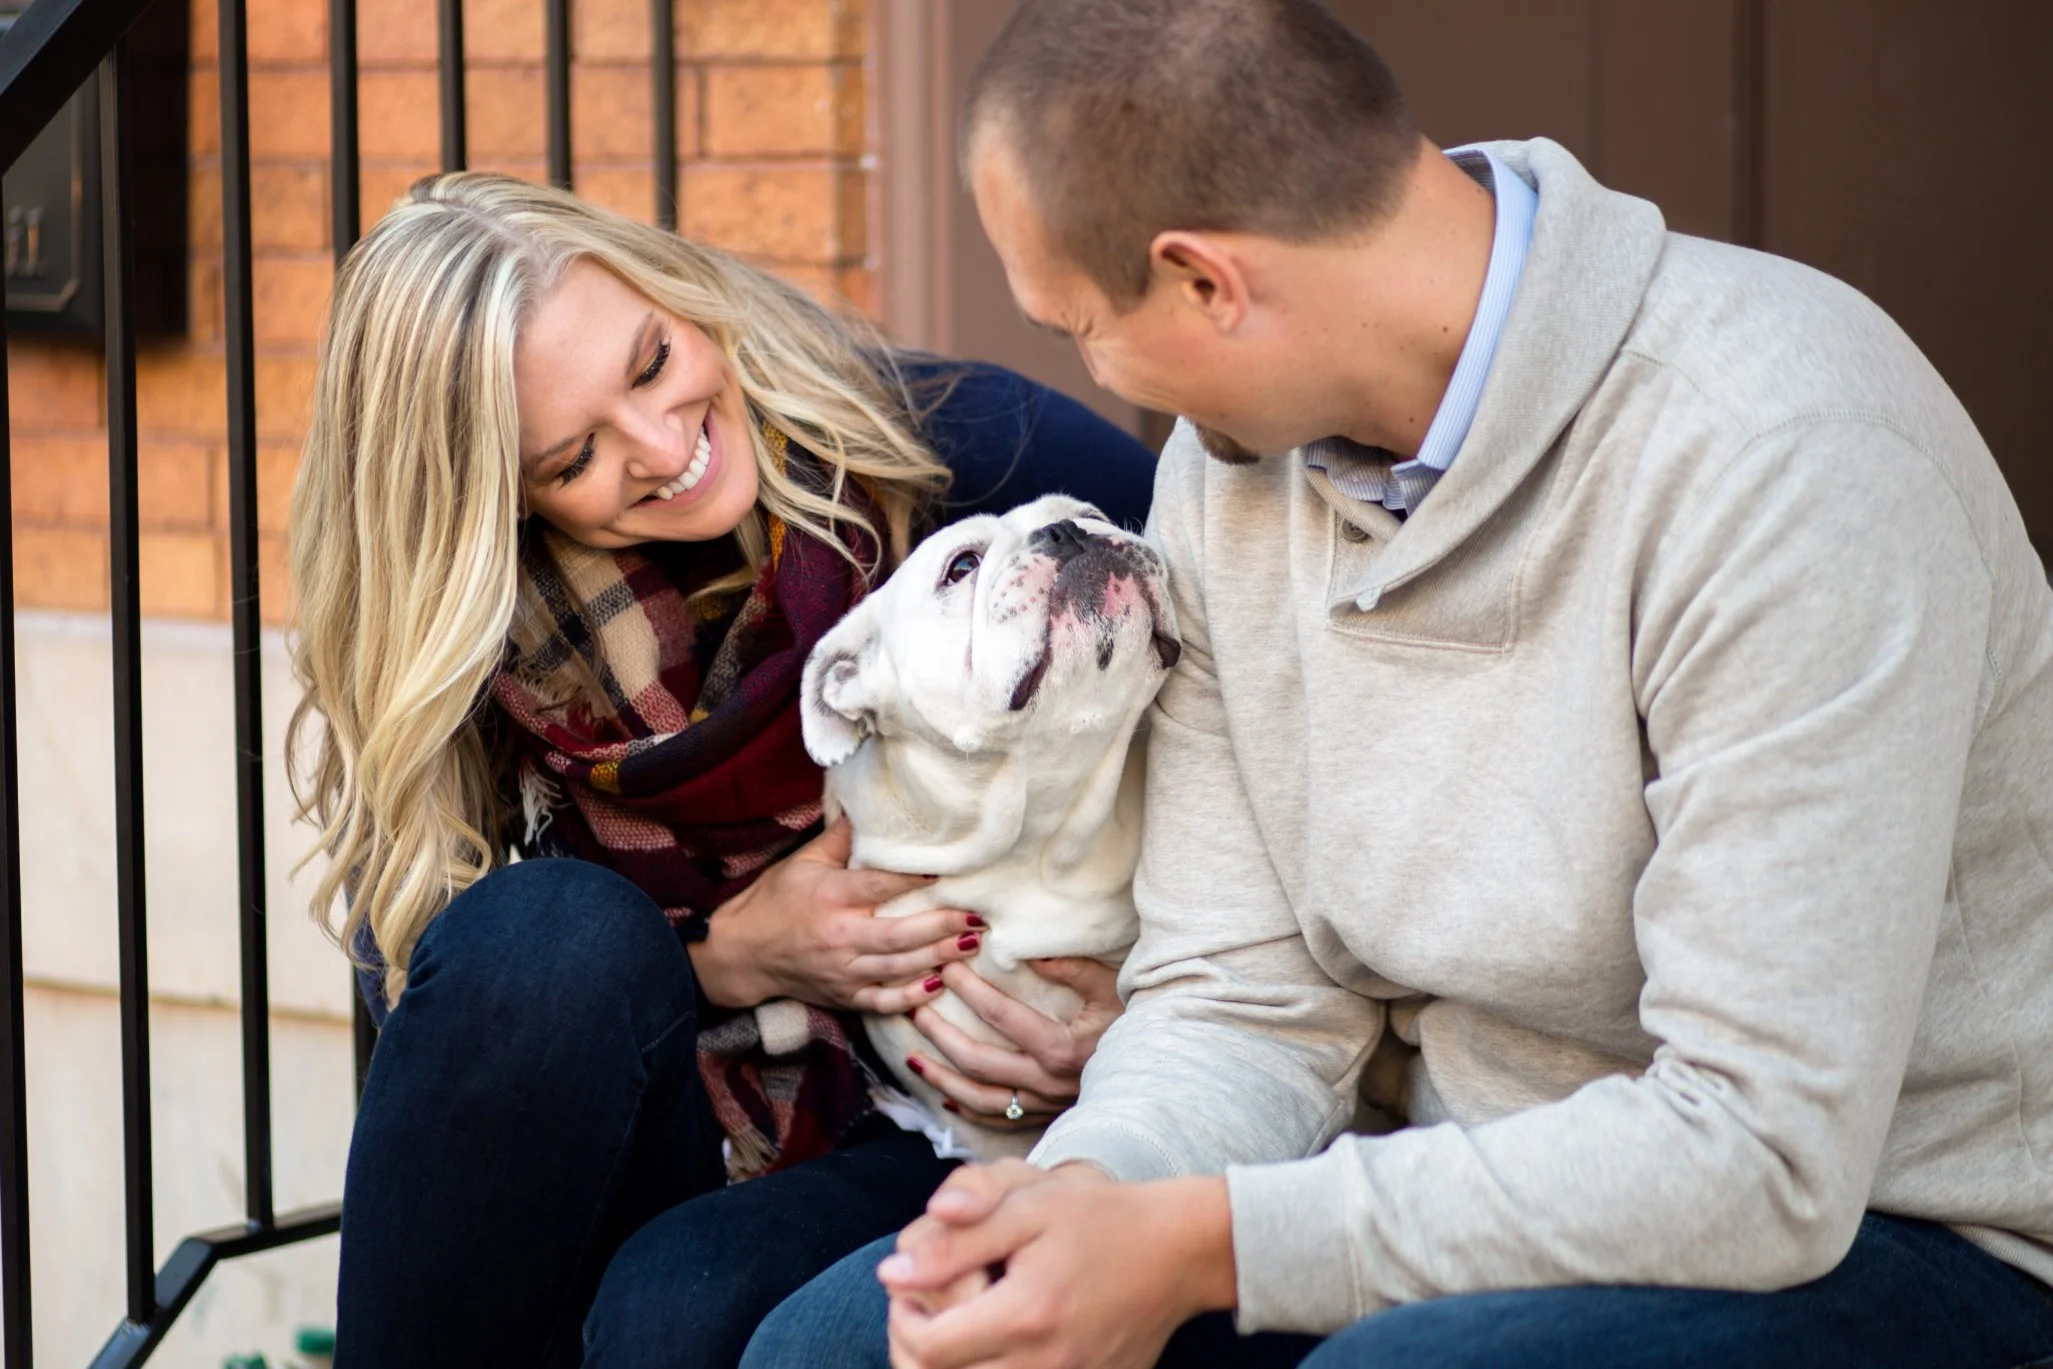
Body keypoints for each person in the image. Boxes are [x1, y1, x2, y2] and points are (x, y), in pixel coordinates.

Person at [743, 2, 2053, 1367]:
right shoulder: (1230, 469)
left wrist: (1208, 1246)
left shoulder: (1783, 454)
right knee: (840, 1348)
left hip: (1897, 1227)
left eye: (1077, 325)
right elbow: (1238, 993)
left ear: (1207, 283)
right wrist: (1095, 1197)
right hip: (1443, 1178)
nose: (1097, 375)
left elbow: (1760, 1154)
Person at [285, 171, 1155, 1369]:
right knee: (543, 936)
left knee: (679, 1309)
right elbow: (453, 1033)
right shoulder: (486, 646)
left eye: (650, 363)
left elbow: (1245, 683)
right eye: (574, 455)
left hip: (944, 1116)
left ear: (679, 294)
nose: (661, 447)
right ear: (497, 503)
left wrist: (1155, 1021)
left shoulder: (946, 444)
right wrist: (730, 957)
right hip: (661, 1115)